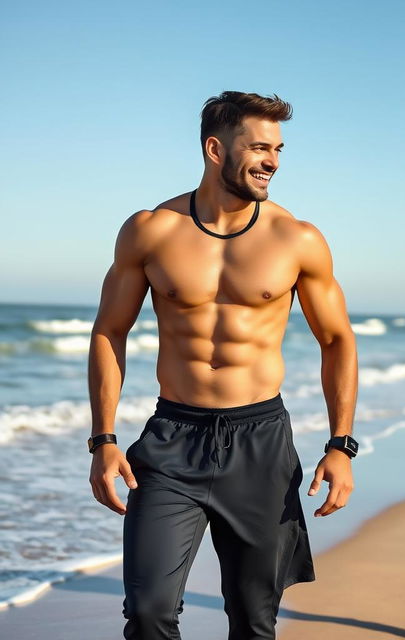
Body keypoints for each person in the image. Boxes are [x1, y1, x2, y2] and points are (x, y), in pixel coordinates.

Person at [87, 91, 358, 640]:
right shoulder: (151, 230)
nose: (272, 162)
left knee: (254, 623)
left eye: (278, 149)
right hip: (172, 440)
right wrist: (104, 439)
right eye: (259, 147)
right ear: (215, 148)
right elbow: (109, 331)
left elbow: (337, 340)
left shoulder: (296, 239)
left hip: (260, 442)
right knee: (148, 612)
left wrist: (341, 444)